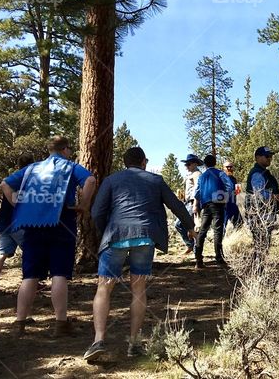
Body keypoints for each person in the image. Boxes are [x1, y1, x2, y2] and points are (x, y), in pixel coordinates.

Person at [83, 146, 196, 361]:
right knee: (138, 288)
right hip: (145, 237)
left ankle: (98, 340)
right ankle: (134, 343)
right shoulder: (155, 180)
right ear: (143, 161)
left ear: (125, 163)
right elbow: (176, 205)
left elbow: (97, 211)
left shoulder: (111, 180)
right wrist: (190, 226)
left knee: (104, 287)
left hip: (115, 236)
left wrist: (105, 230)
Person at [1, 135, 96, 337]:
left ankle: (20, 324)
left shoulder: (32, 168)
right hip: (62, 221)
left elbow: (5, 184)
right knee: (59, 274)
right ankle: (60, 323)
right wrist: (84, 205)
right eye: (70, 149)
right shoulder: (70, 166)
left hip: (32, 224)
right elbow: (90, 179)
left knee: (30, 275)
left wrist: (17, 204)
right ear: (64, 150)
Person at [0, 153, 35, 295]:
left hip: (4, 221)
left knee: (1, 253)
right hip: (18, 222)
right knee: (30, 251)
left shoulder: (14, 178)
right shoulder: (27, 180)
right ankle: (31, 281)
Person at [194, 154, 233, 268]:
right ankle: (219, 258)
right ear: (215, 163)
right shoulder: (220, 173)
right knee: (217, 230)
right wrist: (225, 197)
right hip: (218, 202)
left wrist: (199, 202)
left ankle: (198, 259)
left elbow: (196, 192)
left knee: (203, 230)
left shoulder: (202, 176)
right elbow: (229, 186)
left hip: (206, 204)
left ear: (205, 164)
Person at [245, 146, 279, 264]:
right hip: (259, 214)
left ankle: (258, 268)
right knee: (261, 242)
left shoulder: (263, 172)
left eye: (270, 156)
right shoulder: (257, 173)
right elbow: (259, 194)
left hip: (264, 213)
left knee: (263, 242)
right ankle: (258, 270)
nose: (270, 158)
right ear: (257, 157)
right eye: (267, 156)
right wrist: (275, 197)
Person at [175, 154, 202, 254]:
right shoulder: (191, 175)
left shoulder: (197, 174)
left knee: (181, 224)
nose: (187, 166)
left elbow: (197, 190)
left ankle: (194, 249)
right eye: (186, 164)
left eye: (189, 164)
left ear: (195, 163)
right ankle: (194, 248)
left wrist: (195, 204)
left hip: (192, 203)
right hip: (187, 203)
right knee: (189, 227)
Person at [222, 160, 244, 229]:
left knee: (239, 223)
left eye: (230, 167)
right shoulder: (220, 178)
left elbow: (238, 192)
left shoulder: (234, 179)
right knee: (223, 225)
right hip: (224, 205)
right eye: (227, 167)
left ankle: (237, 238)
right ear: (223, 168)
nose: (229, 168)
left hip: (233, 204)